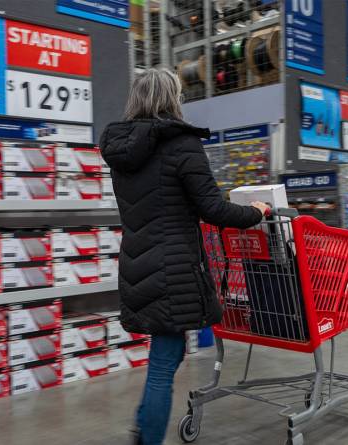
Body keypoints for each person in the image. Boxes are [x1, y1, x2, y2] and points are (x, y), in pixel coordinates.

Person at [100, 68, 269, 445]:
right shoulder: (181, 145)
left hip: (137, 263)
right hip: (173, 268)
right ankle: (147, 436)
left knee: (168, 352)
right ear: (170, 99)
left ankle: (144, 424)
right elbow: (212, 209)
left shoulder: (121, 149)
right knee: (163, 362)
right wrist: (256, 211)